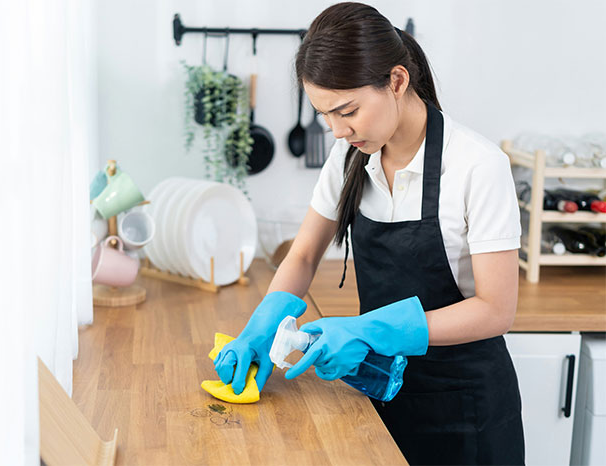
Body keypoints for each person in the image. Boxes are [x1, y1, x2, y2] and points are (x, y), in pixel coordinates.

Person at [213, 2, 525, 464]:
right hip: (377, 389)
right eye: (326, 117)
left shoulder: (477, 167)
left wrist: (370, 329)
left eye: (348, 111)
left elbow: (496, 311)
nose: (338, 132)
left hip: (465, 407)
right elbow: (301, 258)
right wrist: (264, 322)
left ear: (397, 81)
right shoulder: (350, 159)